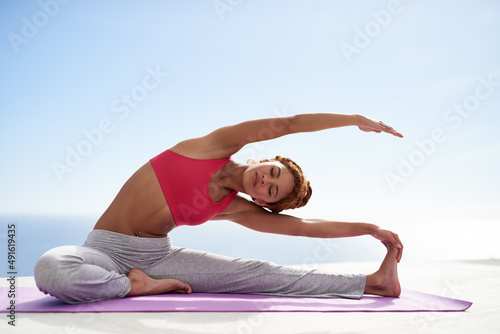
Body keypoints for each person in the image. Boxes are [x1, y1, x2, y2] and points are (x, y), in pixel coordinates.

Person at [35, 113, 404, 304]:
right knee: (52, 269)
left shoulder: (235, 208)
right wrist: (353, 119)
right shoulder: (211, 147)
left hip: (159, 259)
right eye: (272, 173)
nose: (266, 182)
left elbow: (304, 227)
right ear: (265, 160)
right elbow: (289, 124)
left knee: (264, 276)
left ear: (263, 203)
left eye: (273, 192)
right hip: (103, 249)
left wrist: (369, 227)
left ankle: (375, 283)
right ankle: (131, 288)